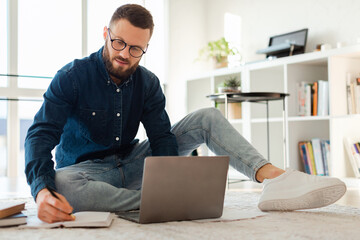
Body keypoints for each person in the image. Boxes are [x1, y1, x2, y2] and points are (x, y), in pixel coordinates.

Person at [25, 4, 346, 224]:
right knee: (61, 183)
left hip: (133, 163)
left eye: (135, 48)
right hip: (87, 173)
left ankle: (275, 178)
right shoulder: (72, 76)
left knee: (206, 117)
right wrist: (41, 191)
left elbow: (163, 137)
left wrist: (170, 179)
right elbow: (40, 135)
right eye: (118, 42)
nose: (124, 54)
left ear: (145, 47)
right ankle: (161, 204)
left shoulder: (148, 83)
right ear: (105, 34)